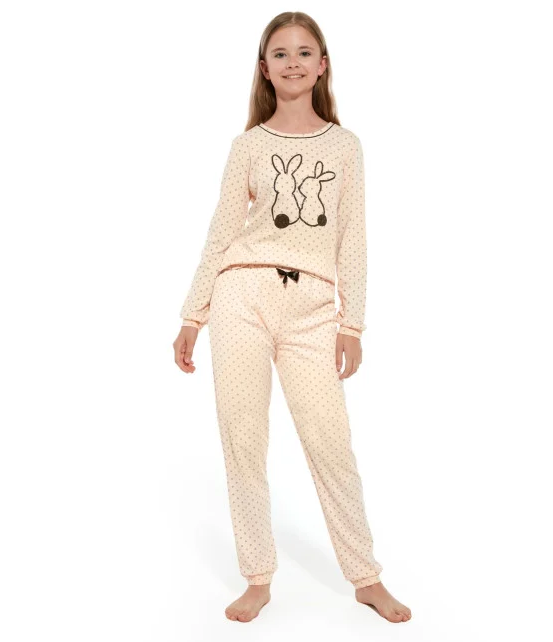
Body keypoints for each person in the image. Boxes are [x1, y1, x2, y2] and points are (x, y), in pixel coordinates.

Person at [173, 12, 411, 624]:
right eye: (280, 53)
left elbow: (353, 236)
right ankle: (258, 576)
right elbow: (222, 229)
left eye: (305, 52)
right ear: (264, 68)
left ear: (323, 65)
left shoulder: (345, 146)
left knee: (331, 442)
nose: (294, 62)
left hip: (313, 309)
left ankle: (365, 577)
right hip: (242, 295)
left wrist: (352, 324)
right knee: (243, 438)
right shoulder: (248, 146)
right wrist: (193, 314)